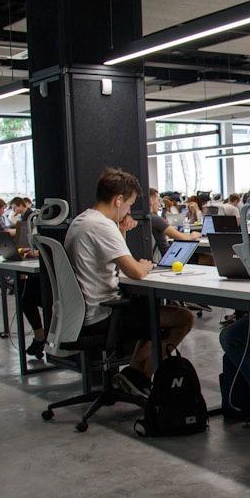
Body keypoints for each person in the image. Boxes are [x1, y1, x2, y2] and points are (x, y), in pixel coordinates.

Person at [65, 168, 194, 399]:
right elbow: (134, 271)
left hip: (84, 313)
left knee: (147, 310)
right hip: (102, 314)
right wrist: (145, 265)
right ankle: (139, 376)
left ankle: (133, 375)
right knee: (183, 318)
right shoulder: (102, 226)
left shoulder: (83, 220)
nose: (129, 211)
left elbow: (112, 256)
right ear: (118, 200)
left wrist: (121, 230)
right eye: (129, 204)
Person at [147, 189, 201, 256]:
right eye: (157, 200)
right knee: (205, 257)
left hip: (162, 256)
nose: (159, 204)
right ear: (151, 201)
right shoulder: (156, 219)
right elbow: (181, 237)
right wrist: (194, 235)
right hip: (168, 257)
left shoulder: (146, 219)